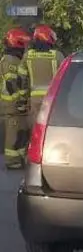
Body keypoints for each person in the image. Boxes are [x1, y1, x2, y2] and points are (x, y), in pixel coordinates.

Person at [1, 27, 31, 169]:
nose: (25, 47)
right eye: (23, 43)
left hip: (15, 104)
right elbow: (11, 83)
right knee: (13, 132)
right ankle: (12, 161)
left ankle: (19, 157)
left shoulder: (14, 59)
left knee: (21, 130)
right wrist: (19, 100)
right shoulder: (9, 60)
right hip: (11, 104)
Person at [24, 24, 65, 121]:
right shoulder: (57, 56)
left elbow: (21, 78)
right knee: (50, 124)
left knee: (36, 125)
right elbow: (65, 77)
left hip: (34, 99)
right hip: (52, 99)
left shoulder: (28, 56)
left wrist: (23, 98)